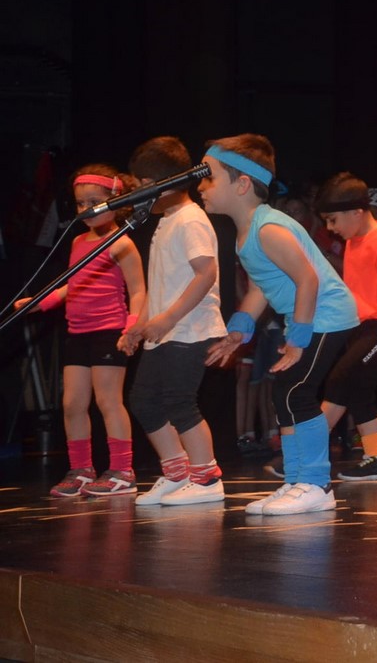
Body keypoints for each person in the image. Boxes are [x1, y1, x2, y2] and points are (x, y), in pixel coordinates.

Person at [201, 136, 359, 515]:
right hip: (309, 318)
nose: (201, 186)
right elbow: (262, 286)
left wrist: (297, 339)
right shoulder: (247, 232)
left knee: (296, 392)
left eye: (209, 176)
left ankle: (316, 484)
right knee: (284, 393)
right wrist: (239, 329)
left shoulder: (268, 228)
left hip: (326, 315)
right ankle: (297, 480)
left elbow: (308, 279)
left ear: (242, 184)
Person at [24, 164, 146, 497]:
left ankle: (122, 470)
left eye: (95, 202)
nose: (87, 209)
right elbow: (73, 285)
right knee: (72, 404)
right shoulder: (78, 240)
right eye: (81, 203)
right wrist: (42, 302)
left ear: (116, 202)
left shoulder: (122, 243)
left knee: (108, 400)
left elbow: (138, 290)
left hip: (109, 330)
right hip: (77, 331)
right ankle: (81, 469)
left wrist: (132, 328)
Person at [120, 137, 229, 505]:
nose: (138, 195)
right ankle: (177, 472)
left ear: (159, 185)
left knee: (180, 402)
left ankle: (207, 479)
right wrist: (140, 325)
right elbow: (161, 285)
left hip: (190, 329)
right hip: (165, 331)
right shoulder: (166, 221)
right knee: (143, 400)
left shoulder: (190, 219)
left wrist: (166, 319)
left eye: (141, 186)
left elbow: (206, 273)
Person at [314, 172, 377, 481]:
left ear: (357, 212)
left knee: (340, 378)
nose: (331, 229)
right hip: (361, 327)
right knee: (359, 390)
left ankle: (304, 450)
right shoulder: (354, 242)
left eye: (333, 221)